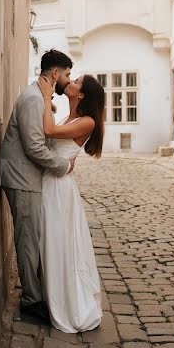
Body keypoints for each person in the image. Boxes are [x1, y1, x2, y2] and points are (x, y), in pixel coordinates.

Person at [0, 49, 74, 322]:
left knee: (34, 238)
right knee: (28, 240)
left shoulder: (38, 99)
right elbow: (33, 147)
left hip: (27, 177)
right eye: (67, 74)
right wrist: (63, 165)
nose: (68, 79)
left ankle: (36, 292)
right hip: (21, 177)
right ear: (55, 74)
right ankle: (31, 301)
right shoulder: (33, 99)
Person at [38, 73, 105, 333]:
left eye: (76, 82)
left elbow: (49, 131)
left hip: (59, 189)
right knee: (52, 241)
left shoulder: (87, 122)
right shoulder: (70, 117)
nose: (71, 83)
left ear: (82, 94)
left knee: (59, 243)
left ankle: (67, 303)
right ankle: (51, 294)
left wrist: (45, 98)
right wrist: (49, 107)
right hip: (52, 181)